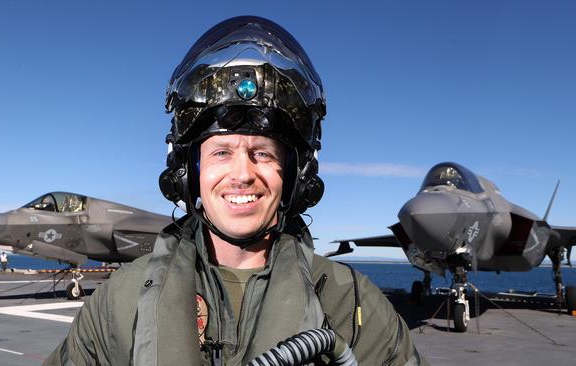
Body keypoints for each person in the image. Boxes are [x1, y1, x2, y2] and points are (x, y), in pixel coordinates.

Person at [45, 16, 428, 365]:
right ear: (188, 172)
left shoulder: (351, 304)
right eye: (221, 152)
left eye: (262, 153)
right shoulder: (118, 302)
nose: (242, 175)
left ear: (296, 176)